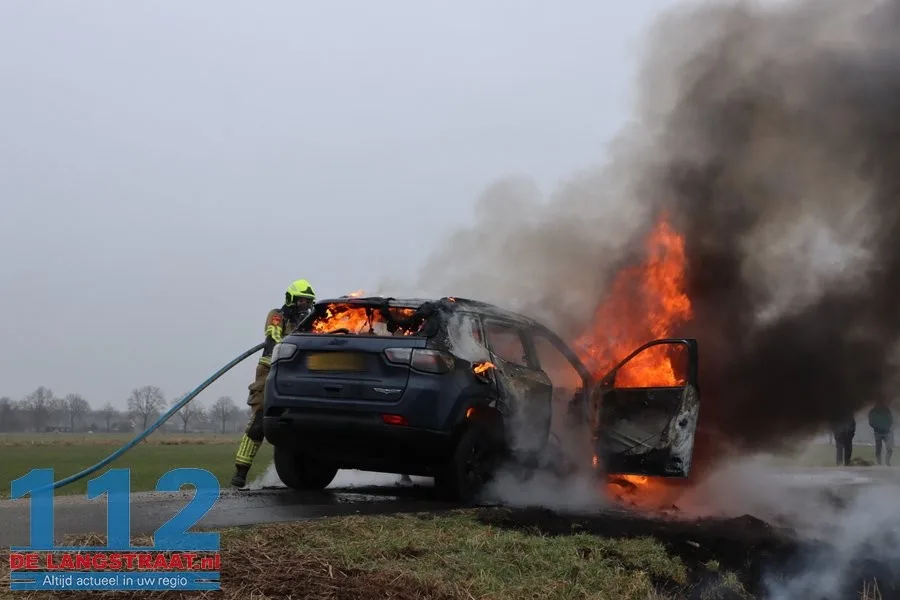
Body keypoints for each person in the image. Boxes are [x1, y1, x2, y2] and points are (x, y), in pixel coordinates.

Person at [231, 279, 317, 488]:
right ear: (291, 300)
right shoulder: (277, 316)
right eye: (301, 301)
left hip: (299, 373)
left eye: (308, 302)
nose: (305, 306)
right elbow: (274, 337)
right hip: (271, 370)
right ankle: (241, 472)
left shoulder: (311, 322)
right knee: (260, 419)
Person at [868, 399, 894, 467]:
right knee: (879, 449)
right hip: (879, 432)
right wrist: (876, 427)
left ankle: (887, 462)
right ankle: (880, 463)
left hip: (885, 431)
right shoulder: (873, 411)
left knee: (888, 448)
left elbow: (891, 419)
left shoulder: (886, 410)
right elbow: (870, 421)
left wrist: (888, 426)